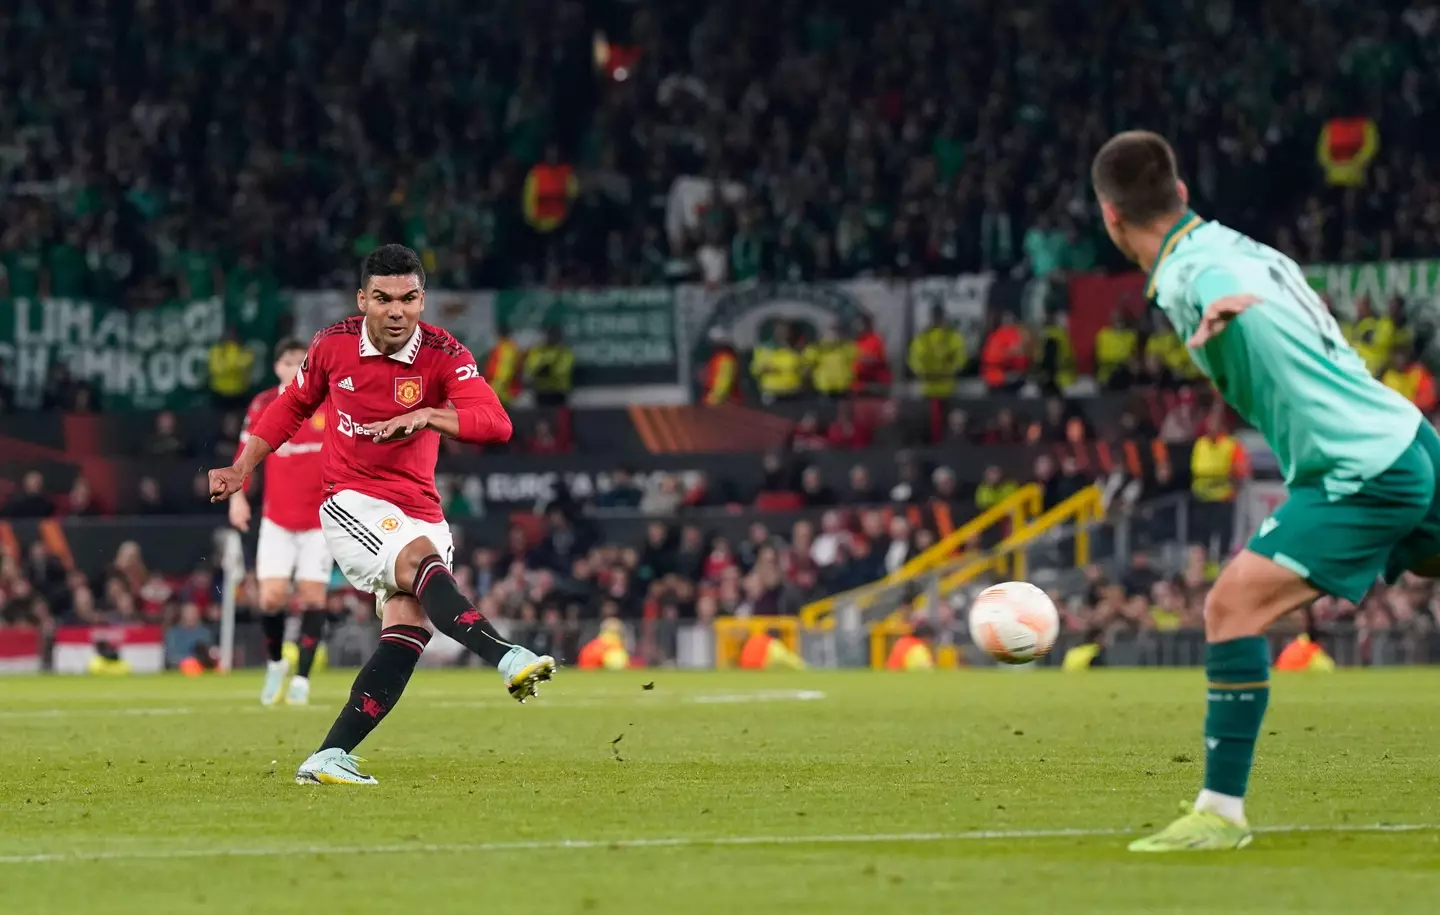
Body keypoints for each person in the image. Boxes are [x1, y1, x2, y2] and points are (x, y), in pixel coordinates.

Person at [1092, 130, 1440, 852]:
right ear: (1182, 193)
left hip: (1360, 464)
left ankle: (1221, 810)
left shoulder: (1198, 269)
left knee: (1231, 605)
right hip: (1403, 433)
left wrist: (1222, 309)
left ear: (1110, 217)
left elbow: (1217, 285)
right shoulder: (1237, 242)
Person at [208, 245, 555, 786]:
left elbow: (497, 422)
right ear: (363, 299)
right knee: (419, 562)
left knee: (407, 629)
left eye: (410, 298)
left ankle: (328, 755)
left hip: (420, 507)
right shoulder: (333, 344)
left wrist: (429, 415)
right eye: (385, 298)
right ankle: (505, 656)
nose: (398, 311)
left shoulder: (444, 352)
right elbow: (292, 406)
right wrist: (243, 468)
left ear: (422, 299)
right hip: (351, 500)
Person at [229, 337, 334, 707]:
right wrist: (239, 496)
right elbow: (246, 454)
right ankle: (276, 663)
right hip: (277, 520)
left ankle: (302, 679)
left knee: (313, 597)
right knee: (271, 597)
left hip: (321, 520)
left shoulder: (327, 401)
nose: (295, 369)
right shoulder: (263, 404)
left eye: (301, 362)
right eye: (289, 362)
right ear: (277, 367)